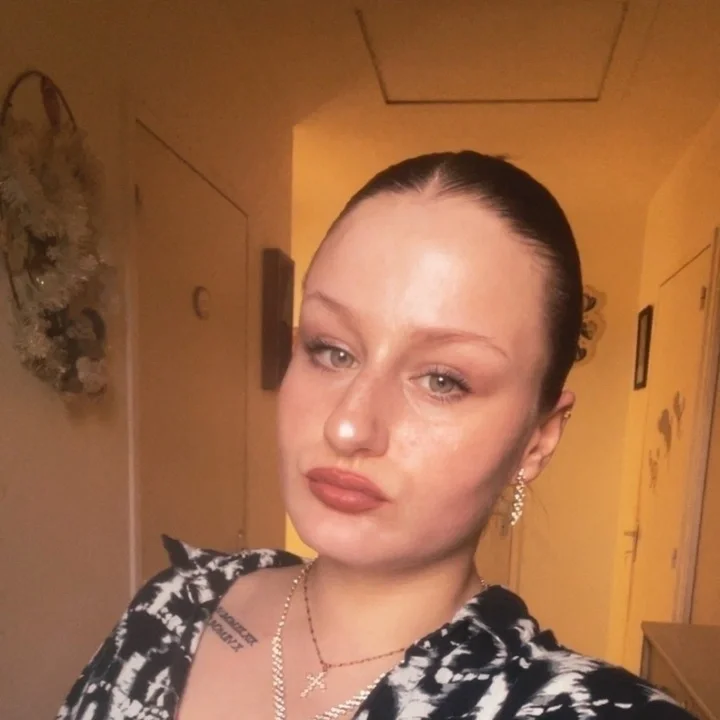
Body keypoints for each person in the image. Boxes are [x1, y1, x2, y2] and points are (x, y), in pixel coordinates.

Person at [57, 152, 692, 720]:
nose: (348, 425)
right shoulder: (178, 603)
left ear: (538, 441)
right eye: (331, 350)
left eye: (443, 380)